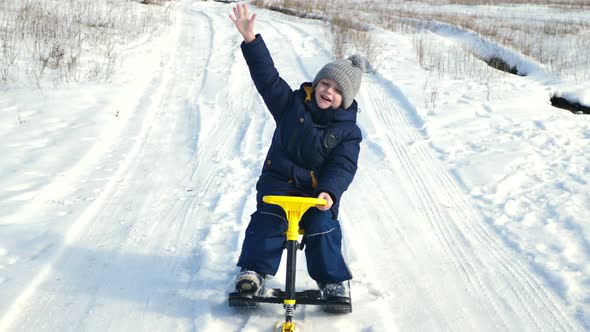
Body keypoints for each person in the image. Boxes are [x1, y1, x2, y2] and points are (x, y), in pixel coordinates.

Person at [229, 4, 363, 303]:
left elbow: (343, 165)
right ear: (316, 84)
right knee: (268, 218)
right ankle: (254, 273)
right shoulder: (292, 106)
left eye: (336, 89)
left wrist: (329, 192)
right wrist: (251, 41)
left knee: (322, 226)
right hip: (279, 185)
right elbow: (267, 79)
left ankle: (333, 282)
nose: (328, 90)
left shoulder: (348, 132)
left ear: (345, 99)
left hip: (317, 193)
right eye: (324, 83)